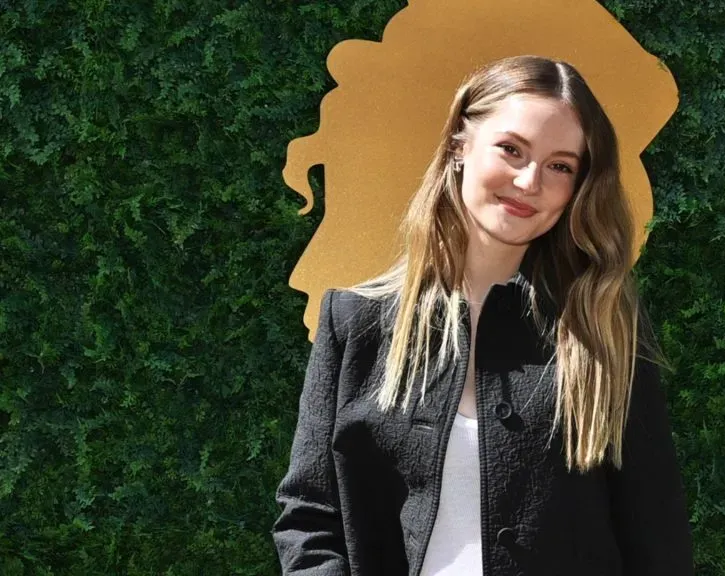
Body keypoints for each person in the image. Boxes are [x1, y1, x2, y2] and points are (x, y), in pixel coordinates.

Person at [272, 54, 694, 576]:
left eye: (560, 166)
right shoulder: (356, 321)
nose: (528, 181)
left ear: (579, 188)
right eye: (511, 150)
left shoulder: (604, 329)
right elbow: (310, 517)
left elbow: (657, 534)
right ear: (459, 146)